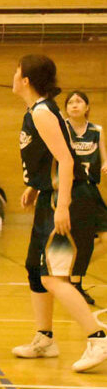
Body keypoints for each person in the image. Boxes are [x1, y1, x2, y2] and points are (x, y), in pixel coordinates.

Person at [11, 55, 107, 372]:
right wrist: (35, 186)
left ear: (26, 79)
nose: (13, 76)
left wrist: (62, 204)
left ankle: (98, 339)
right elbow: (50, 158)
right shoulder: (37, 110)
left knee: (54, 276)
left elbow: (65, 160)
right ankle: (45, 339)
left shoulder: (42, 112)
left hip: (66, 198)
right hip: (49, 195)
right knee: (34, 269)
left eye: (17, 71)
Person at [64, 90, 107, 304]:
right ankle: (75, 283)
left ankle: (74, 271)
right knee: (82, 242)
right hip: (71, 191)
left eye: (79, 101)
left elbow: (104, 158)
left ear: (87, 107)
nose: (74, 105)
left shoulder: (97, 130)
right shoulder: (62, 129)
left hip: (91, 190)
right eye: (70, 102)